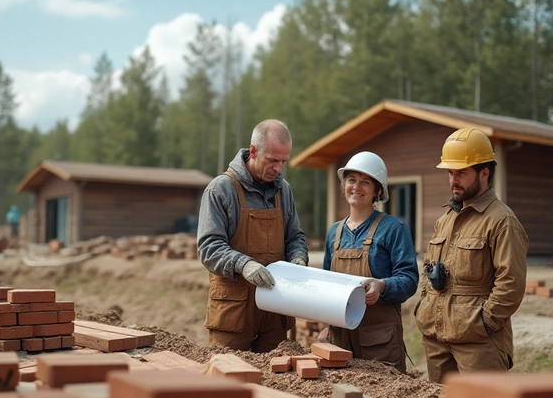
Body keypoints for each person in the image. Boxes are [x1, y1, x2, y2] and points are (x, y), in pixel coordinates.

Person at [415, 128, 528, 383]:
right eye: (450, 172)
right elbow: (428, 270)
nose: (453, 179)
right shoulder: (444, 221)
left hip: (479, 348)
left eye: (461, 173)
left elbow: (511, 284)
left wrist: (483, 323)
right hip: (437, 343)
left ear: (484, 173)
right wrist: (424, 308)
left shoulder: (502, 221)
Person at [197, 119, 308, 352]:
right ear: (254, 151)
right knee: (227, 378)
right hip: (233, 312)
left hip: (275, 309)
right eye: (273, 160)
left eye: (283, 162)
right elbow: (209, 246)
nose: (278, 168)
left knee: (276, 380)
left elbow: (295, 236)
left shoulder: (283, 190)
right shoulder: (220, 190)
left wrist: (298, 258)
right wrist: (243, 264)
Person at [320, 151, 419, 373]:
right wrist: (326, 326)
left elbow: (410, 279)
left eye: (365, 182)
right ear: (344, 185)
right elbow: (327, 284)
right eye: (352, 180)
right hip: (340, 341)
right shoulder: (334, 233)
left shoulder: (393, 229)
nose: (356, 187)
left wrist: (382, 285)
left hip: (379, 344)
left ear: (377, 191)